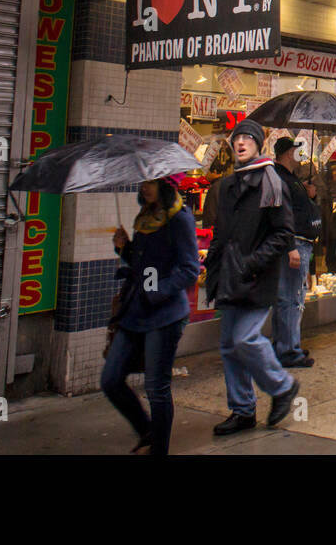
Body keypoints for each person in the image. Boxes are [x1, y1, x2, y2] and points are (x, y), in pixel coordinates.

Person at [202, 119, 302, 434]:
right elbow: (222, 231)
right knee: (229, 347)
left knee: (245, 338)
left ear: (259, 145)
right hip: (229, 275)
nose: (241, 143)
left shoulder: (271, 182)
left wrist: (252, 262)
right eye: (237, 139)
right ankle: (243, 409)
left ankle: (283, 386)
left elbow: (283, 232)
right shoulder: (229, 185)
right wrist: (213, 265)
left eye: (248, 138)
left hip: (256, 277)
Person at [102, 176, 201, 455]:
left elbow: (190, 269)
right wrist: (125, 248)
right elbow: (142, 265)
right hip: (135, 311)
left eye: (153, 183)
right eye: (143, 183)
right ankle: (147, 431)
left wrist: (156, 291)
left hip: (165, 314)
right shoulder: (145, 216)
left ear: (166, 186)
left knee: (156, 388)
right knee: (110, 379)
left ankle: (158, 449)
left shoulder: (179, 219)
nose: (145, 188)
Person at [270, 136, 322, 369]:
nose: (299, 155)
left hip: (300, 244)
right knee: (290, 298)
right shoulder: (279, 177)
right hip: (294, 245)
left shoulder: (291, 178)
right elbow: (281, 214)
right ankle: (288, 351)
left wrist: (310, 196)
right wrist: (291, 246)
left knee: (293, 296)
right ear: (288, 153)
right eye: (296, 150)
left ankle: (288, 344)